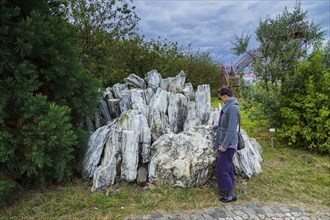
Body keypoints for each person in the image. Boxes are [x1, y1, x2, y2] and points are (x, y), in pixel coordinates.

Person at [212, 86, 240, 203]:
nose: (221, 99)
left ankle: (231, 194)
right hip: (226, 143)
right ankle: (226, 190)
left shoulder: (232, 108)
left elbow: (231, 129)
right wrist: (214, 127)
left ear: (225, 96)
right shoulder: (228, 107)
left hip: (228, 145)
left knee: (222, 169)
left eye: (221, 97)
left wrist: (224, 145)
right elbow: (224, 125)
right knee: (227, 169)